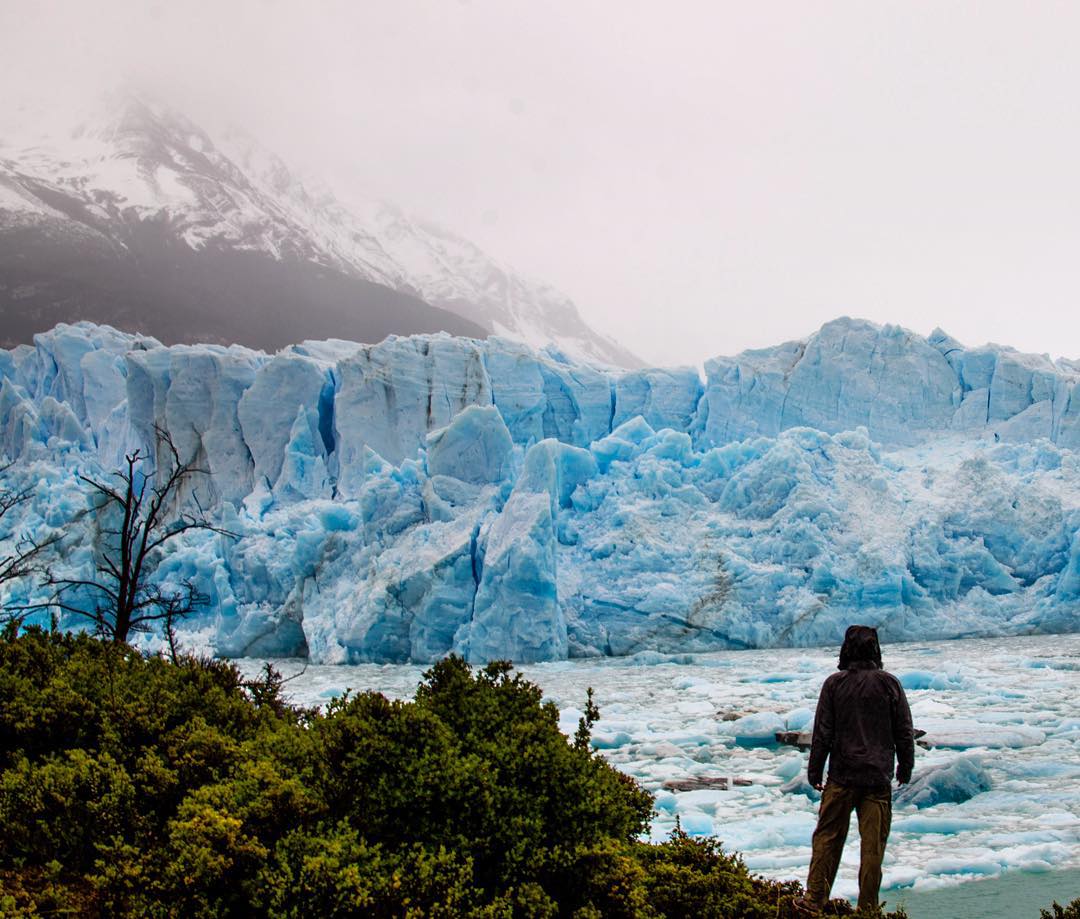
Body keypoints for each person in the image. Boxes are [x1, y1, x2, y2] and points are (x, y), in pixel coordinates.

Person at [794, 625, 915, 915]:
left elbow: (823, 732)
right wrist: (905, 766)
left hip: (842, 777)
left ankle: (814, 900)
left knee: (827, 837)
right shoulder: (890, 684)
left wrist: (815, 770)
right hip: (877, 778)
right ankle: (868, 909)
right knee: (872, 849)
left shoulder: (834, 684)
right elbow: (904, 730)